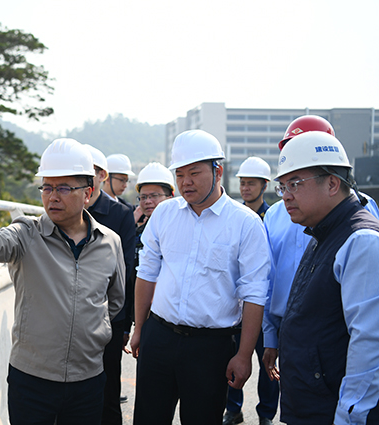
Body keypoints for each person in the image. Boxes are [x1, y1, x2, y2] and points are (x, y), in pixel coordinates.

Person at [0, 138, 125, 425]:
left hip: (88, 378)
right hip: (32, 378)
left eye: (63, 188)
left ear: (88, 192)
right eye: (47, 187)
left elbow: (115, 300)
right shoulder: (27, 234)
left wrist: (95, 333)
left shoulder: (110, 242)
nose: (52, 197)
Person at [130, 130, 270, 424]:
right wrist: (140, 329)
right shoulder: (165, 214)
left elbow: (255, 294)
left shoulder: (245, 223)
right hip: (159, 336)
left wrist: (244, 356)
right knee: (147, 417)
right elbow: (147, 274)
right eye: (180, 174)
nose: (185, 182)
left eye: (194, 173)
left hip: (210, 347)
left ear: (217, 171)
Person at [261, 116, 379, 386]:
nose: (287, 193)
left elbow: (368, 338)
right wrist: (271, 336)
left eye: (297, 182)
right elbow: (268, 278)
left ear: (332, 182)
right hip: (296, 342)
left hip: (329, 356)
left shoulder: (360, 227)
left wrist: (351, 412)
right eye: (284, 184)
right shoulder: (291, 219)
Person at [223, 156, 279, 425]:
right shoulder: (233, 216)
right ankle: (233, 409)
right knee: (233, 359)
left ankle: (266, 414)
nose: (245, 188)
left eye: (251, 184)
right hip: (237, 304)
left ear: (264, 185)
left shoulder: (277, 217)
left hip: (266, 306)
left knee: (267, 363)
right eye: (243, 183)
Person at [83, 144, 135, 425]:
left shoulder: (120, 215)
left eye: (87, 174)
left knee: (107, 390)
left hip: (107, 319)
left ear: (102, 175)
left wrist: (123, 324)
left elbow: (123, 273)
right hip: (71, 317)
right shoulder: (66, 212)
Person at [122, 162, 175, 355]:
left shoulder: (181, 233)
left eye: (154, 196)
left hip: (173, 321)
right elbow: (131, 281)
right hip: (145, 320)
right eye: (143, 197)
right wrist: (129, 327)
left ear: (171, 197)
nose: (148, 201)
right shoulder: (138, 234)